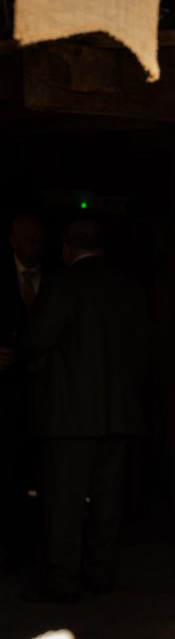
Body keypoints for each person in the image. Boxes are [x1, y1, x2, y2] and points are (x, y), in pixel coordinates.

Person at [20, 218, 149, 603]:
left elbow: (34, 341)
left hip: (69, 414)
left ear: (66, 247)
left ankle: (63, 580)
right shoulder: (128, 288)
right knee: (108, 500)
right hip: (120, 413)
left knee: (64, 501)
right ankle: (101, 573)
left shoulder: (61, 286)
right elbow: (144, 349)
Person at [0, 213, 47, 571]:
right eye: (26, 240)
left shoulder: (58, 281)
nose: (33, 247)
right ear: (13, 241)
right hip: (7, 400)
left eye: (38, 240)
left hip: (49, 396)